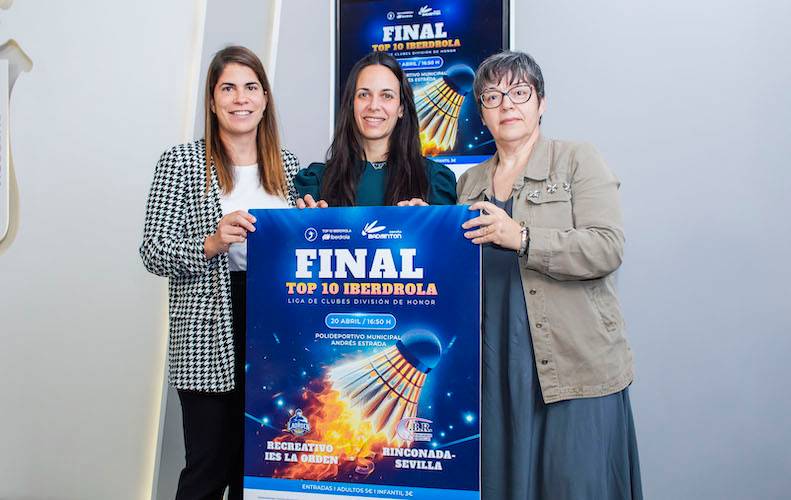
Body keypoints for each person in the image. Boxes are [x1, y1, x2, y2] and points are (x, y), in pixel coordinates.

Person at [458, 51, 643, 499]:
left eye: (520, 93)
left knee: (573, 486)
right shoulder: (468, 185)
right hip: (496, 371)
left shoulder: (577, 160)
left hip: (573, 365)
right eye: (493, 96)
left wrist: (521, 236)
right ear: (482, 112)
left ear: (541, 102)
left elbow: (607, 247)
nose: (507, 105)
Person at [139, 46, 300, 500]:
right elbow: (152, 252)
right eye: (227, 88)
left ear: (265, 98)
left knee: (259, 467)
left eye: (250, 87)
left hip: (272, 326)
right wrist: (212, 243)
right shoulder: (181, 162)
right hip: (208, 327)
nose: (240, 98)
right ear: (212, 101)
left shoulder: (287, 166)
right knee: (208, 467)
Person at [294, 51, 456, 207]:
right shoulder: (316, 180)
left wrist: (430, 222)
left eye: (387, 96)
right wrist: (303, 222)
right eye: (364, 95)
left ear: (401, 108)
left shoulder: (435, 180)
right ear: (351, 104)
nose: (374, 106)